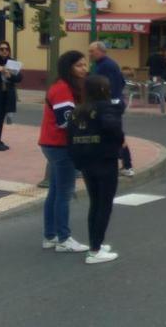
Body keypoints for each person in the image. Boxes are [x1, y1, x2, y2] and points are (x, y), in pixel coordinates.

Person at [40, 50, 90, 253]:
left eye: (85, 64)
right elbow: (65, 121)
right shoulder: (62, 89)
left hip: (51, 144)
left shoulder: (64, 87)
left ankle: (50, 236)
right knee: (64, 193)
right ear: (68, 67)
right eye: (79, 65)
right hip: (60, 146)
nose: (84, 69)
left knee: (54, 191)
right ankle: (64, 238)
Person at [69, 75, 123, 264]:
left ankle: (96, 243)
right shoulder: (106, 108)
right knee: (104, 205)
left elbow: (70, 136)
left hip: (86, 162)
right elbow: (114, 129)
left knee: (95, 203)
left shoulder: (78, 110)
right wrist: (119, 144)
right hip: (105, 160)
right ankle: (95, 250)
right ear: (103, 90)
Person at [88, 42, 134, 177]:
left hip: (110, 105)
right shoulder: (104, 64)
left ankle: (127, 165)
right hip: (112, 103)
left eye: (92, 51)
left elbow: (111, 87)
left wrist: (108, 103)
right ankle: (122, 164)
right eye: (89, 51)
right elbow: (122, 82)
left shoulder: (106, 66)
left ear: (101, 51)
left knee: (115, 134)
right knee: (111, 134)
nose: (90, 54)